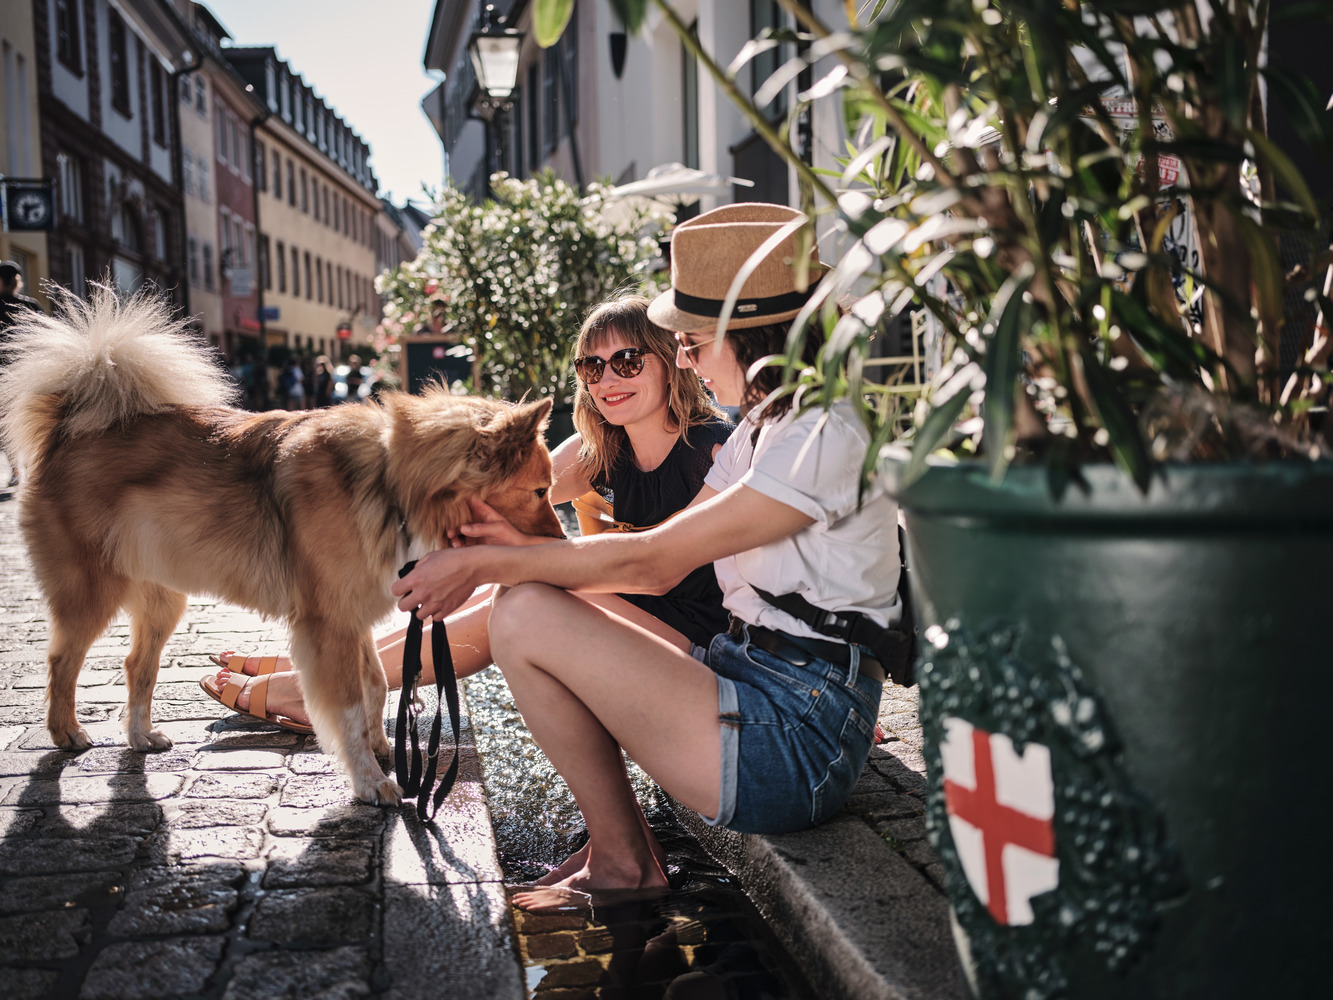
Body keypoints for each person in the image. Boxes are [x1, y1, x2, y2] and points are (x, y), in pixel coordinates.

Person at [390, 204, 904, 912]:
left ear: (744, 335)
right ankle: (618, 853)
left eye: (690, 342)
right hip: (752, 683)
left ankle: (625, 861)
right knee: (528, 607)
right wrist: (505, 548)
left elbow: (655, 564)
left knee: (525, 614)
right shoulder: (768, 428)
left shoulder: (823, 436)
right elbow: (638, 554)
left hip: (797, 743)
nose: (684, 359)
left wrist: (490, 565)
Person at [201, 295, 733, 766]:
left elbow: (658, 571)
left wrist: (514, 554)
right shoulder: (604, 450)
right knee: (511, 574)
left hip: (700, 648)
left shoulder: (712, 450)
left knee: (525, 582)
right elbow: (497, 486)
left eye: (626, 361)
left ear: (672, 362)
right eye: (592, 367)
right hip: (639, 624)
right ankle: (336, 670)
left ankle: (323, 685)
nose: (608, 380)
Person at [1, 260, 43, 488]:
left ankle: (17, 470)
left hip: (3, 376)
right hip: (29, 374)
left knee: (6, 425)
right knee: (32, 421)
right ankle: (32, 469)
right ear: (17, 281)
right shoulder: (31, 306)